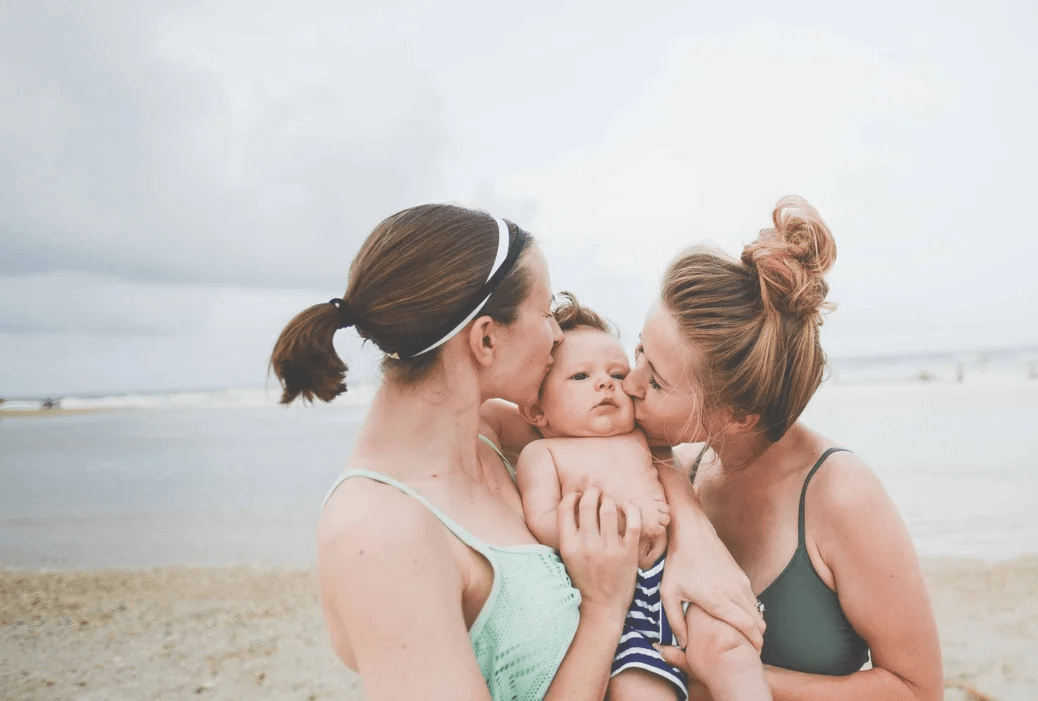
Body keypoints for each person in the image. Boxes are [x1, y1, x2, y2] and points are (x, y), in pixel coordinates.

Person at [269, 204, 763, 701]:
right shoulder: (380, 533)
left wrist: (696, 536)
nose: (557, 334)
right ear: (485, 339)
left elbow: (629, 443)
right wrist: (603, 609)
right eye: (546, 312)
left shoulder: (485, 434)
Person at [624, 196, 945, 700]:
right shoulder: (680, 466)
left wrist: (735, 675)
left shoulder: (840, 495)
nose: (628, 381)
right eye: (639, 348)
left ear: (735, 414)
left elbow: (917, 689)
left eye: (657, 381)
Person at [512, 294, 770, 701]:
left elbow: (676, 482)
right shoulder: (543, 454)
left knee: (731, 653)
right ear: (536, 411)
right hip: (613, 596)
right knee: (638, 690)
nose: (605, 384)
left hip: (674, 580)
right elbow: (542, 521)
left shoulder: (645, 439)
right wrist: (619, 524)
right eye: (580, 377)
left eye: (617, 374)